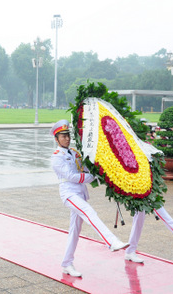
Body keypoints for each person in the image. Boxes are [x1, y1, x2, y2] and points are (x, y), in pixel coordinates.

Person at [50, 119, 128, 277]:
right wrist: (92, 177)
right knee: (89, 212)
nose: (66, 138)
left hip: (80, 193)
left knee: (75, 230)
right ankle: (111, 241)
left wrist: (103, 172)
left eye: (67, 135)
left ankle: (67, 263)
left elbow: (85, 168)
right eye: (62, 136)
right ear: (56, 139)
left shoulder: (75, 152)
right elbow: (72, 176)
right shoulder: (57, 157)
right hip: (69, 193)